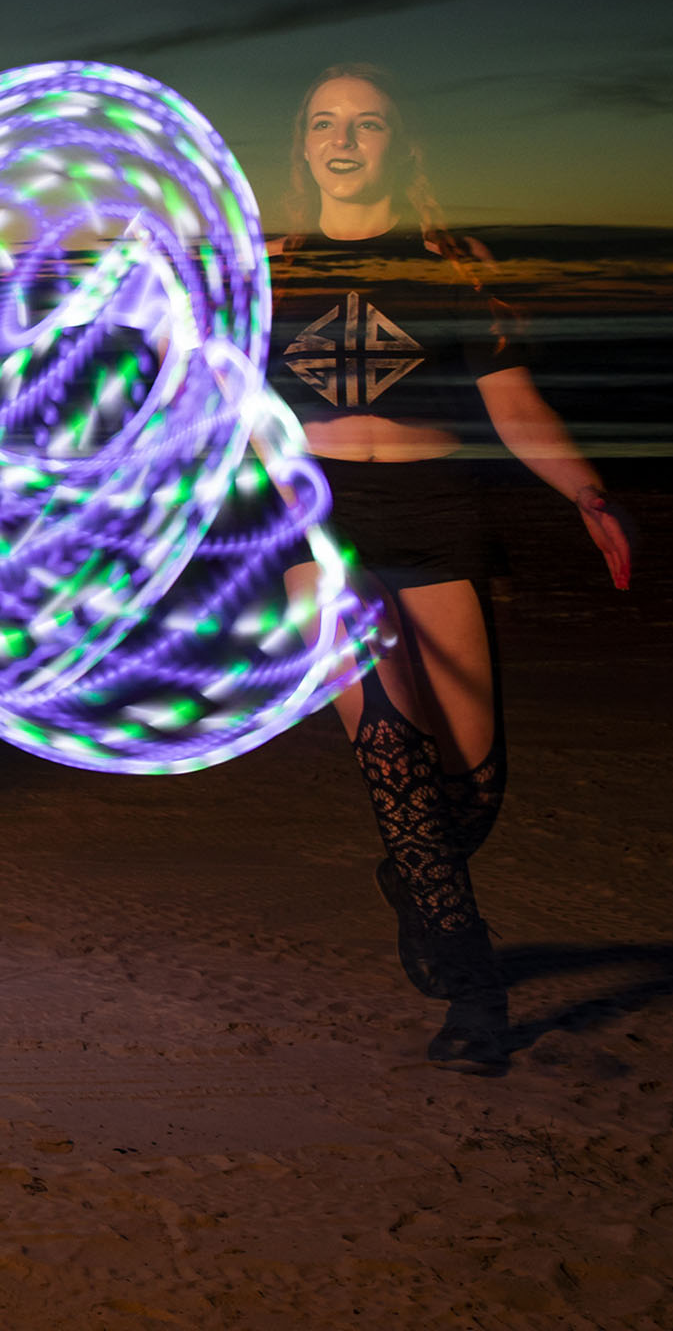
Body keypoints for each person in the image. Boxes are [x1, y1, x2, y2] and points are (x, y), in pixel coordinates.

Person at [268, 63, 632, 1074]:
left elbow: (512, 403)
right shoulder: (270, 266)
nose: (345, 139)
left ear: (399, 143)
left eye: (368, 122)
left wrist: (587, 494)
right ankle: (476, 993)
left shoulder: (453, 260)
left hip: (438, 516)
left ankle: (417, 880)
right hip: (318, 522)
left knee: (471, 785)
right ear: (303, 145)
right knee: (391, 750)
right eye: (325, 122)